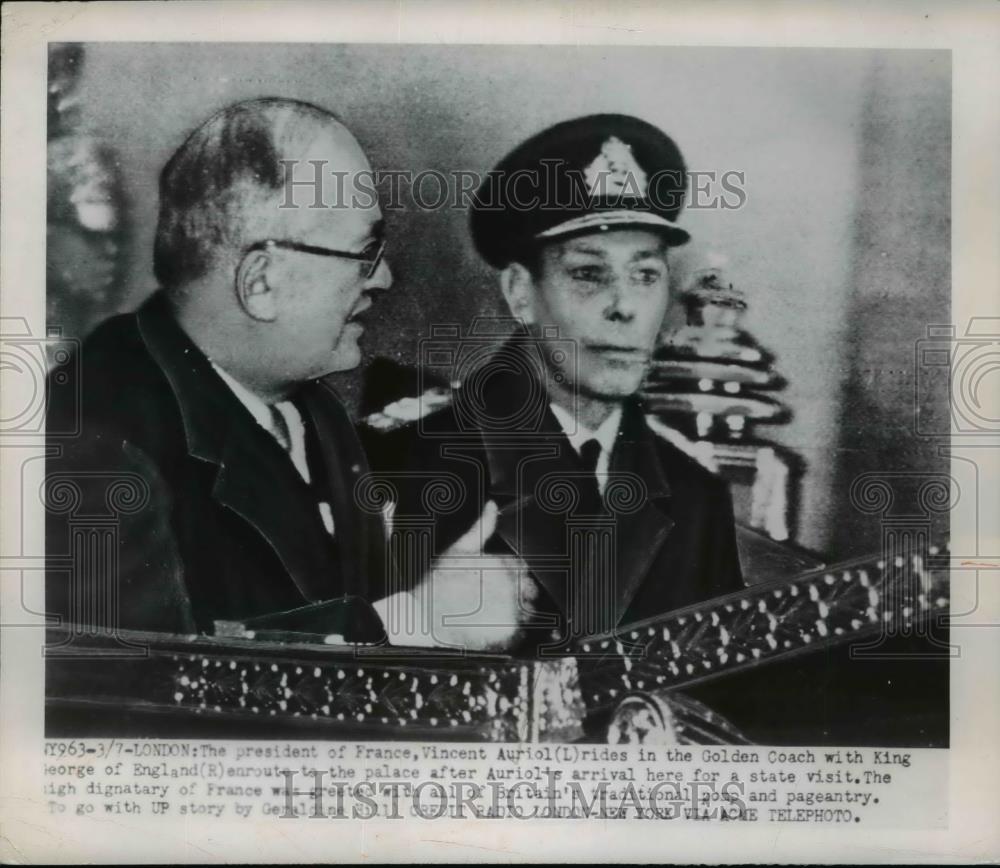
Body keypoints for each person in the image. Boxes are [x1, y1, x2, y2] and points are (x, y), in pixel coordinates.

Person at [364, 114, 745, 655]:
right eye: (589, 274)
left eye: (645, 275)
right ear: (521, 293)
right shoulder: (407, 462)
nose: (625, 308)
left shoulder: (693, 493)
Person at [46, 97, 399, 640]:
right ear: (258, 283)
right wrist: (405, 625)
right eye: (365, 254)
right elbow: (139, 691)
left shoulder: (307, 407)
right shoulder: (95, 444)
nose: (383, 280)